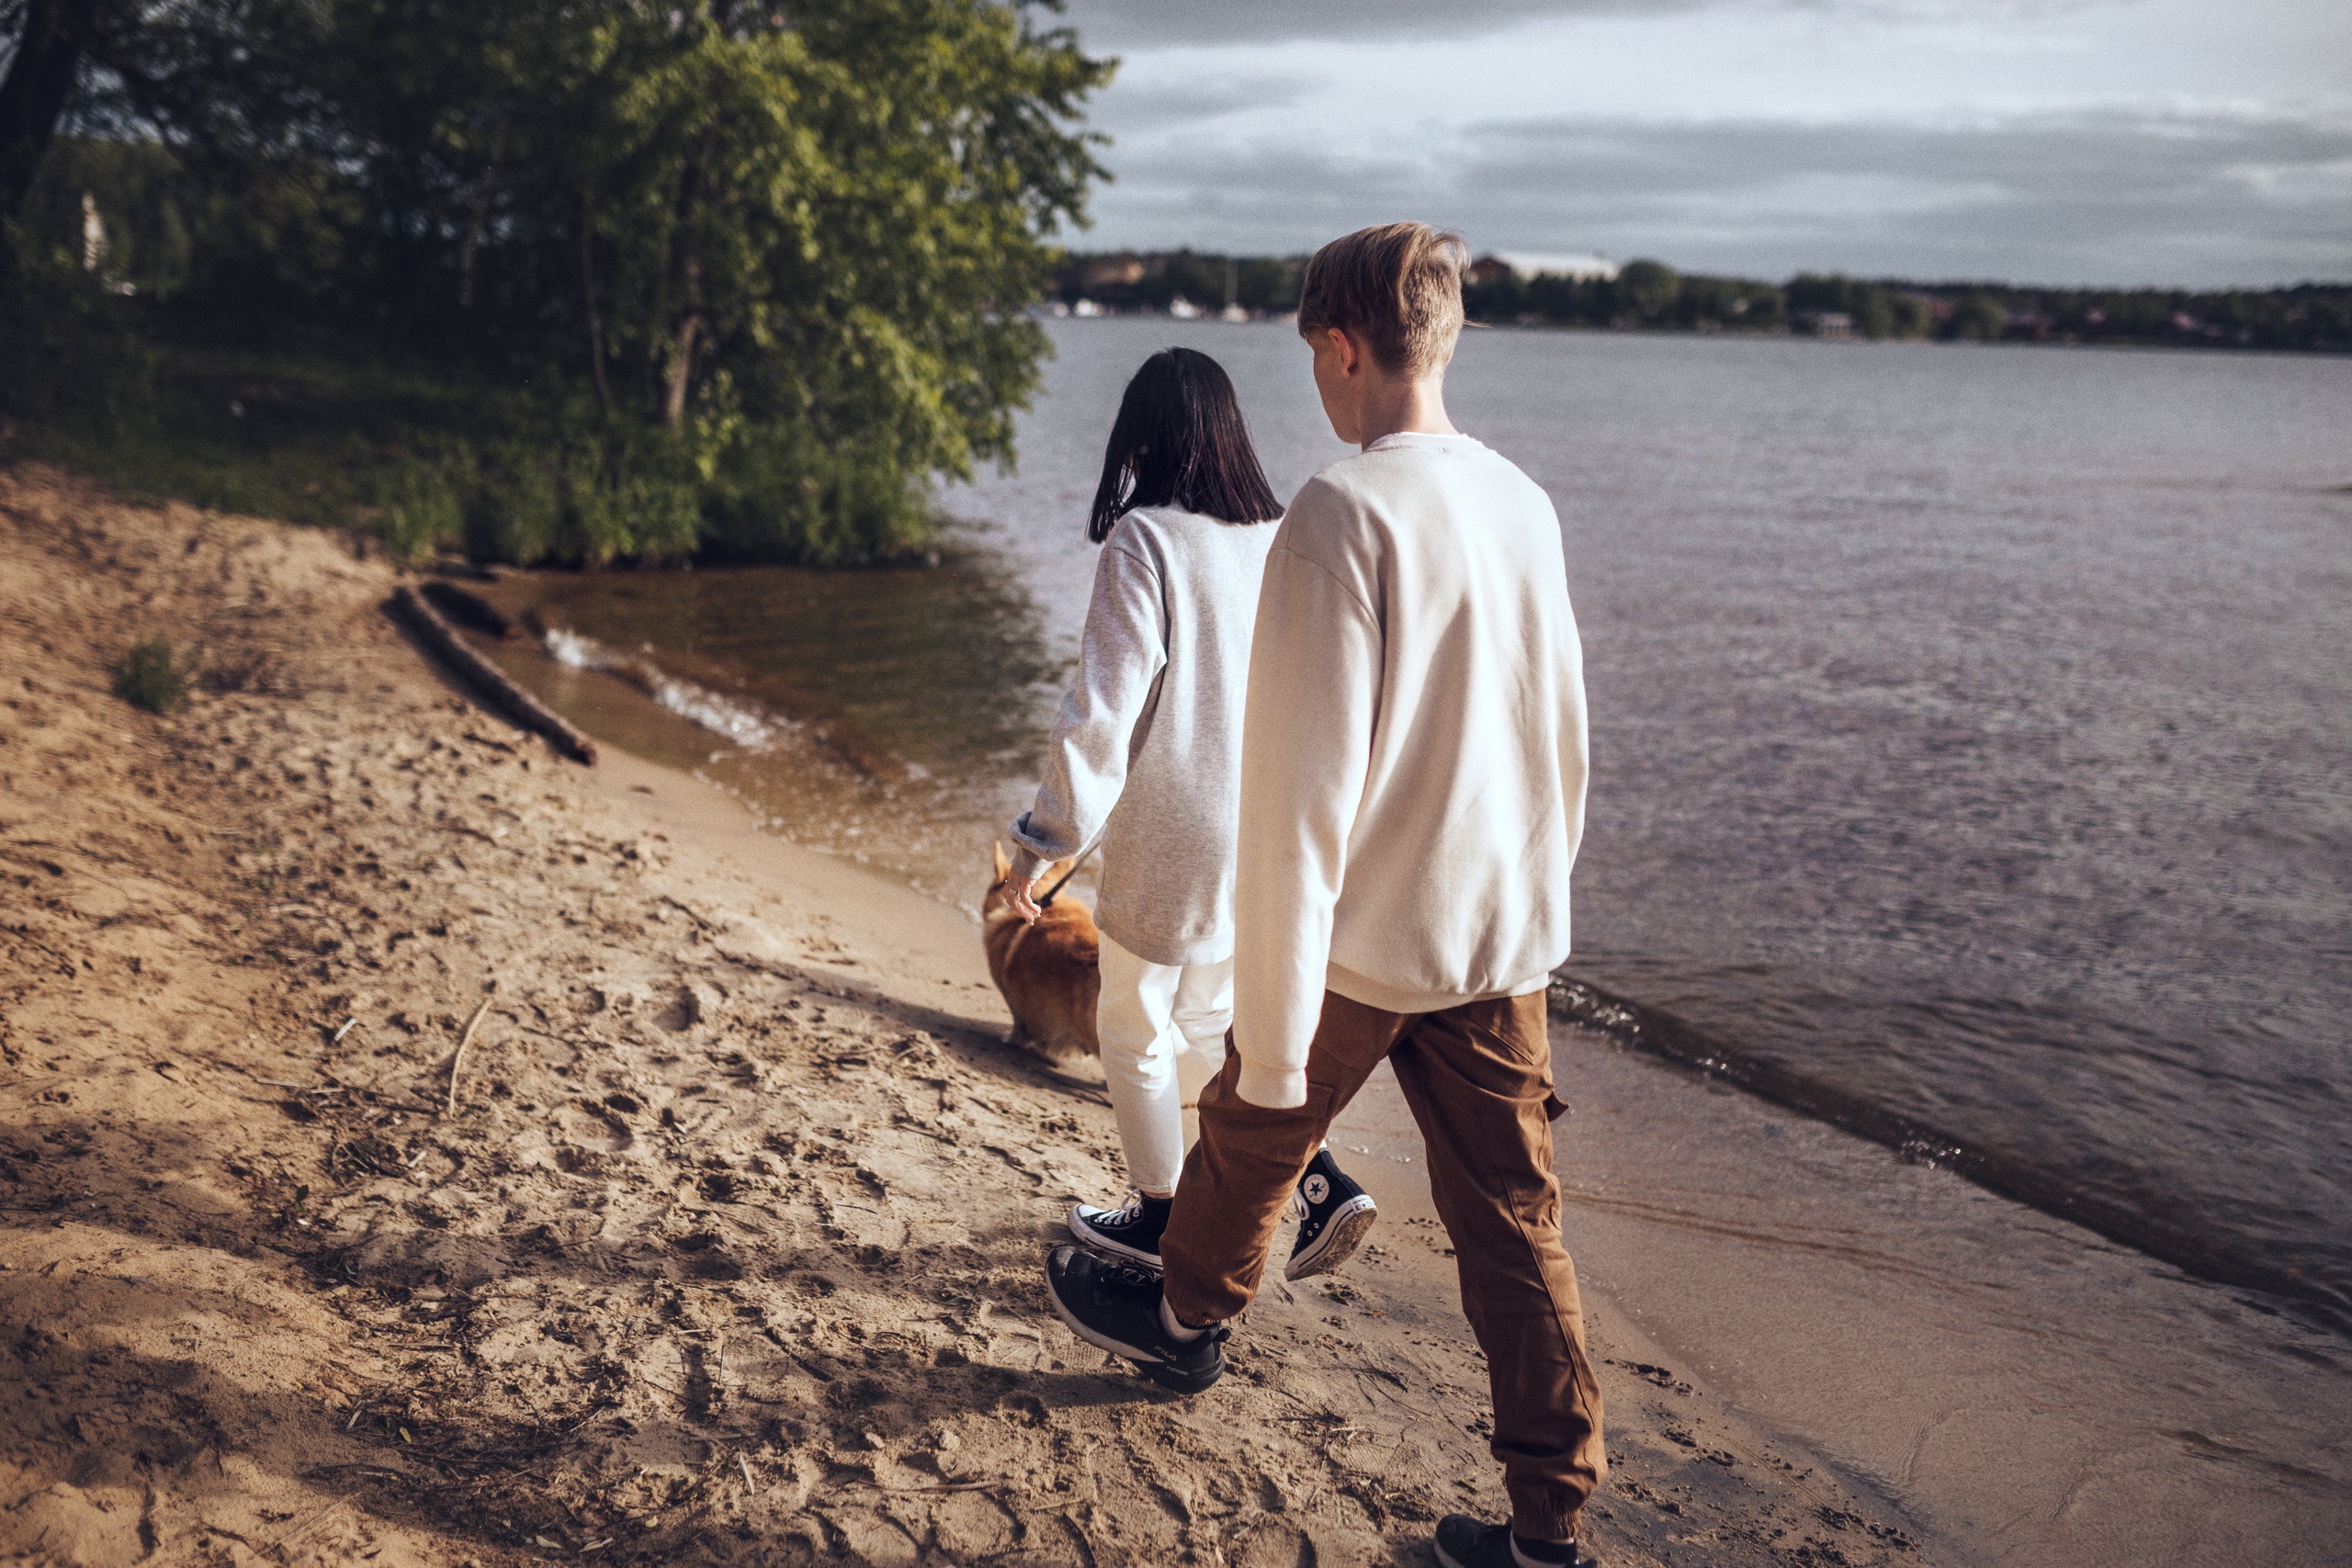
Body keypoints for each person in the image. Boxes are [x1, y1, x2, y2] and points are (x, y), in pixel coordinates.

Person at [1045, 226, 1603, 1568]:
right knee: (1519, 1231)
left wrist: (1282, 1034)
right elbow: (1559, 736)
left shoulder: (1343, 511)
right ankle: (1551, 1530)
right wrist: (1538, 910)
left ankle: (1181, 1321)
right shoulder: (1524, 500)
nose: (1316, 385)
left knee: (1251, 1124)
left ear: (1341, 348)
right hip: (1497, 936)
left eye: (1314, 359)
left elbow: (1295, 796)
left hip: (1369, 932)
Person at [1004, 346, 1379, 1287]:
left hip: (1177, 829)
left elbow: (1102, 710)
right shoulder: (1281, 531)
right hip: (1268, 829)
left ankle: (1160, 1217)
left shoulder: (1146, 540)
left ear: (1144, 437)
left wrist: (1041, 844)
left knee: (1132, 1027)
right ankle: (1321, 1179)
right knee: (1217, 1025)